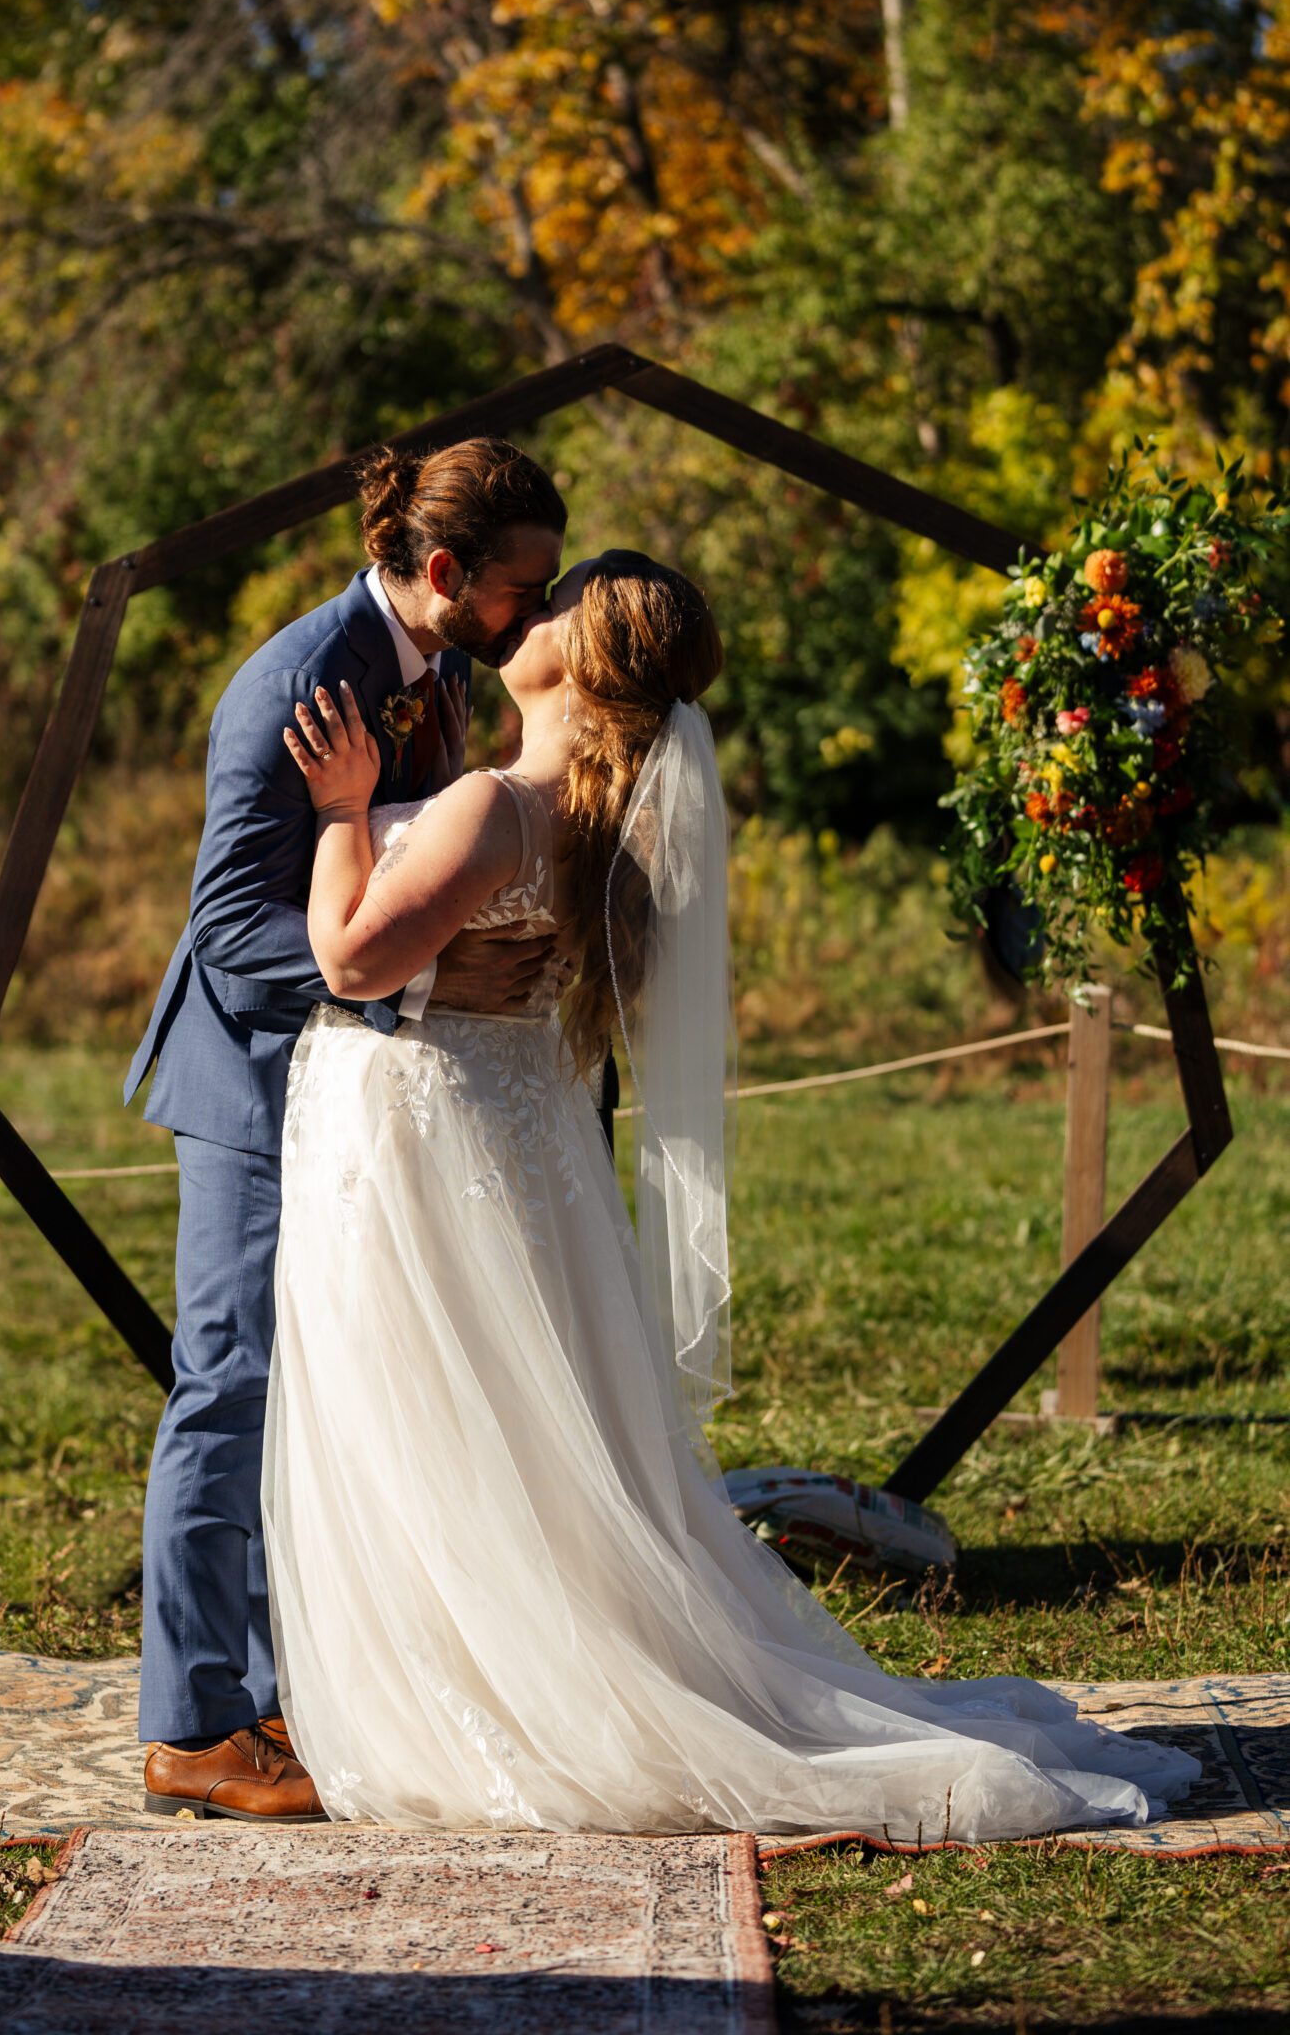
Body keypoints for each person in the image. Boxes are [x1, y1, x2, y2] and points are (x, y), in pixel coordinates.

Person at [265, 550, 1199, 1840]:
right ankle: (509, 1670)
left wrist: (343, 809)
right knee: (500, 1425)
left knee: (432, 1414)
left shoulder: (490, 807)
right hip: (504, 1138)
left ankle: (485, 1699)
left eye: (553, 606)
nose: (523, 615)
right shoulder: (589, 825)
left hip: (421, 1143)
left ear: (582, 666)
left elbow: (356, 960)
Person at [125, 436, 569, 1822]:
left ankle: (282, 1696)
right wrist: (405, 963)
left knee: (312, 1393)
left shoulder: (434, 671)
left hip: (352, 1085)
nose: (538, 614)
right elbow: (231, 928)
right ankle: (194, 1725)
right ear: (443, 573)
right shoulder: (300, 681)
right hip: (256, 1086)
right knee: (233, 1382)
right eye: (521, 588)